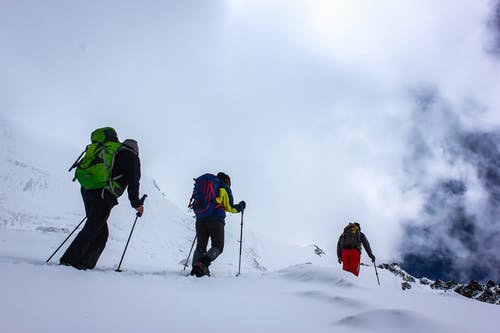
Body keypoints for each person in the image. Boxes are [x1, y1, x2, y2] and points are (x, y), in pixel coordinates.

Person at [60, 137, 144, 270]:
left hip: (88, 189)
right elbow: (134, 182)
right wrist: (137, 204)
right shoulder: (132, 158)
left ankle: (84, 264)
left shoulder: (112, 152)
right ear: (136, 150)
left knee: (100, 232)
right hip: (104, 195)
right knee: (93, 228)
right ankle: (70, 261)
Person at [191, 172, 245, 277]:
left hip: (200, 218)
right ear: (227, 181)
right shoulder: (224, 187)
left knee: (200, 247)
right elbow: (230, 207)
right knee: (218, 246)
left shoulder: (207, 186)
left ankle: (195, 271)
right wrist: (241, 206)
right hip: (215, 219)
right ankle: (202, 264)